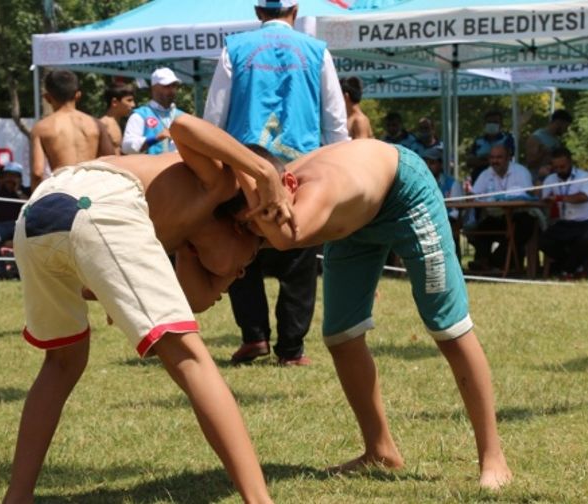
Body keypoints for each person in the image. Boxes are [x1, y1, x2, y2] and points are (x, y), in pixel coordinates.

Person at [2, 113, 290, 504]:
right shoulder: (220, 177)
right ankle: (260, 501)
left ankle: (16, 498)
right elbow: (183, 125)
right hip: (100, 204)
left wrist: (231, 264)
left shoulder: (187, 216)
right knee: (192, 359)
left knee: (62, 362)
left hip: (38, 211)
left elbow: (198, 298)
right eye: (258, 238)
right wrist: (263, 172)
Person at [225, 139, 512, 490]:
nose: (259, 229)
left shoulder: (316, 195)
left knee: (448, 328)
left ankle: (493, 458)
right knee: (341, 336)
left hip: (405, 196)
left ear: (286, 186)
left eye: (265, 214)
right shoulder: (279, 193)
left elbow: (286, 238)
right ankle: (380, 451)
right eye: (251, 224)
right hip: (357, 219)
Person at [204, 0, 348, 366]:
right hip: (299, 168)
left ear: (257, 12)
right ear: (295, 11)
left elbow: (213, 118)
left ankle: (254, 337)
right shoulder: (317, 51)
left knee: (242, 250)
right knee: (299, 254)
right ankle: (291, 349)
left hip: (246, 168)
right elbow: (335, 123)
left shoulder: (234, 47)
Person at [30, 69, 115, 191]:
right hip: (91, 191)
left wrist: (35, 201)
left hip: (62, 191)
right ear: (78, 95)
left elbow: (37, 172)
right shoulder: (96, 124)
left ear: (47, 98)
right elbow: (111, 161)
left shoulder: (41, 128)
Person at [539, 147, 588, 278]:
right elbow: (541, 198)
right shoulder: (550, 179)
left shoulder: (585, 176)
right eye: (556, 167)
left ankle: (567, 271)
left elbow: (583, 197)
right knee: (543, 240)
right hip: (566, 222)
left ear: (570, 162)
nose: (559, 170)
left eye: (562, 167)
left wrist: (559, 198)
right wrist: (541, 179)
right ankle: (576, 268)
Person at [465, 144, 536, 272]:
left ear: (508, 158)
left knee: (521, 228)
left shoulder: (521, 172)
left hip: (520, 215)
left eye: (499, 157)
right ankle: (483, 262)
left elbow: (528, 196)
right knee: (480, 229)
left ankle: (494, 263)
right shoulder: (486, 174)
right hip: (497, 215)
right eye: (492, 157)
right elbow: (473, 196)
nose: (495, 161)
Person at [121, 67, 184, 155]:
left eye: (174, 85)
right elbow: (126, 147)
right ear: (154, 88)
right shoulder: (140, 115)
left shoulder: (182, 116)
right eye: (166, 86)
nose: (171, 90)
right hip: (150, 167)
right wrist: (156, 138)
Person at [467, 110, 515, 184]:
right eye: (489, 122)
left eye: (495, 122)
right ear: (484, 124)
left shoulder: (507, 139)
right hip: (479, 180)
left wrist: (482, 159)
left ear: (501, 124)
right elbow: (470, 162)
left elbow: (507, 160)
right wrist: (493, 160)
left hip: (502, 181)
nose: (492, 124)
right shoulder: (478, 141)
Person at [525, 109, 572, 180]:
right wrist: (542, 153)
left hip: (552, 179)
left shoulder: (556, 139)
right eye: (566, 127)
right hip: (537, 180)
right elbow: (530, 163)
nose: (566, 130)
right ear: (559, 123)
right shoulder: (536, 137)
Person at [99, 82, 136, 155]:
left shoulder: (119, 124)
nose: (133, 105)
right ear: (114, 102)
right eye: (129, 100)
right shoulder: (103, 125)